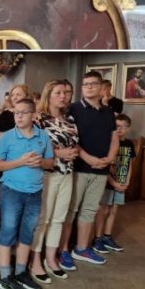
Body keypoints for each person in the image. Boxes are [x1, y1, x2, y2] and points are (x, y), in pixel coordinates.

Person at [0, 97, 54, 289]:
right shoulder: (7, 137)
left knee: (28, 232)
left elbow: (50, 163)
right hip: (12, 190)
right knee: (8, 230)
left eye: (23, 112)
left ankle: (20, 273)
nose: (18, 116)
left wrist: (40, 163)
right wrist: (20, 161)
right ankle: (4, 276)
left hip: (34, 191)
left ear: (34, 115)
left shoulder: (43, 136)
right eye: (16, 112)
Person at [59, 71, 119, 268]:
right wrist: (89, 158)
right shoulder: (73, 109)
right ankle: (63, 250)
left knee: (90, 210)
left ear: (102, 87)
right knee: (71, 210)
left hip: (101, 169)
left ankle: (82, 248)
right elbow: (69, 138)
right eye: (85, 84)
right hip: (79, 167)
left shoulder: (109, 112)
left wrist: (109, 159)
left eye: (93, 84)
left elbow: (114, 138)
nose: (89, 87)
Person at [28, 79, 79, 282]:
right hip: (47, 173)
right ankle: (35, 260)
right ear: (48, 94)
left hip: (68, 173)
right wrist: (59, 153)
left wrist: (71, 153)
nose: (63, 96)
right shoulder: (39, 119)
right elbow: (33, 147)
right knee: (44, 219)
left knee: (59, 218)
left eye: (66, 93)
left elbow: (75, 144)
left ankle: (51, 258)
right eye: (58, 92)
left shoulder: (70, 120)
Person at [93, 113, 137, 255]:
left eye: (123, 127)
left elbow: (129, 164)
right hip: (108, 182)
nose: (120, 129)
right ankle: (97, 238)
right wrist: (113, 182)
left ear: (128, 128)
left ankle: (107, 236)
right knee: (103, 210)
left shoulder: (129, 144)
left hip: (121, 183)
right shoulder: (109, 143)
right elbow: (105, 166)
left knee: (113, 210)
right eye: (117, 126)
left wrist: (127, 182)